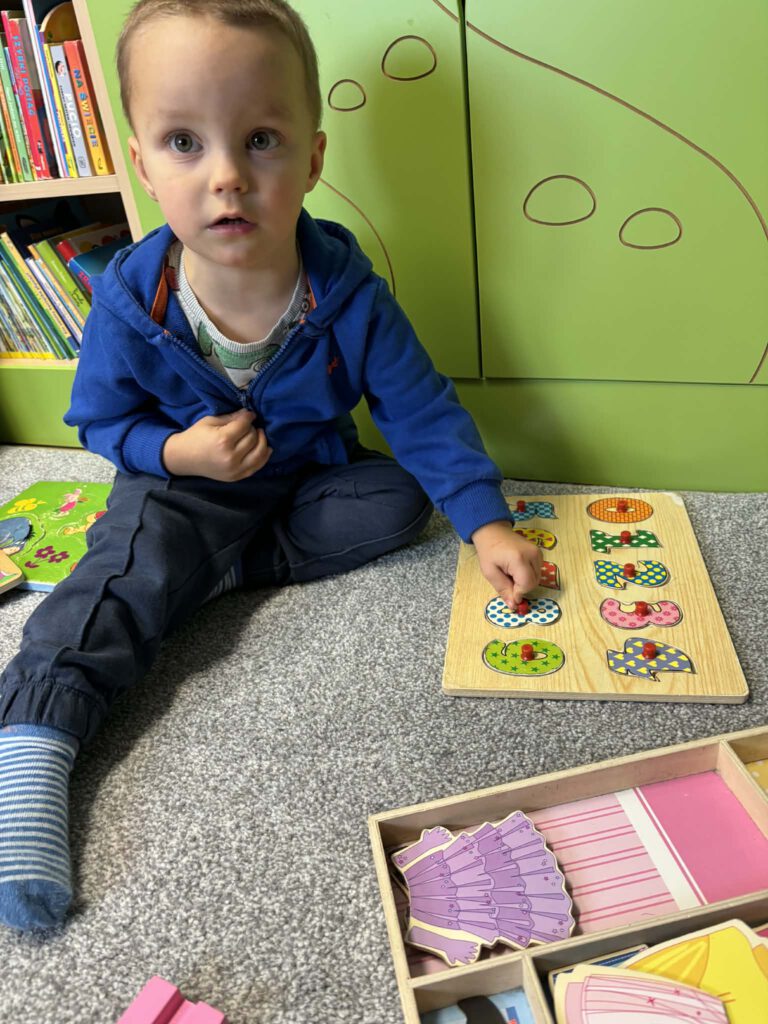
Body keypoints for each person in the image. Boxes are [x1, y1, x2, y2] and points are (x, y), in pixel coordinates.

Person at [0, 0, 542, 931]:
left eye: (260, 140)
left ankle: (226, 569)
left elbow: (418, 410)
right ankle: (31, 746)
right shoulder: (131, 299)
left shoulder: (350, 293)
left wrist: (486, 521)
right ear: (142, 165)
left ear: (313, 159)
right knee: (122, 571)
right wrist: (176, 451)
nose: (226, 177)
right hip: (179, 486)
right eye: (183, 142)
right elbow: (100, 422)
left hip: (306, 481)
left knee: (398, 499)